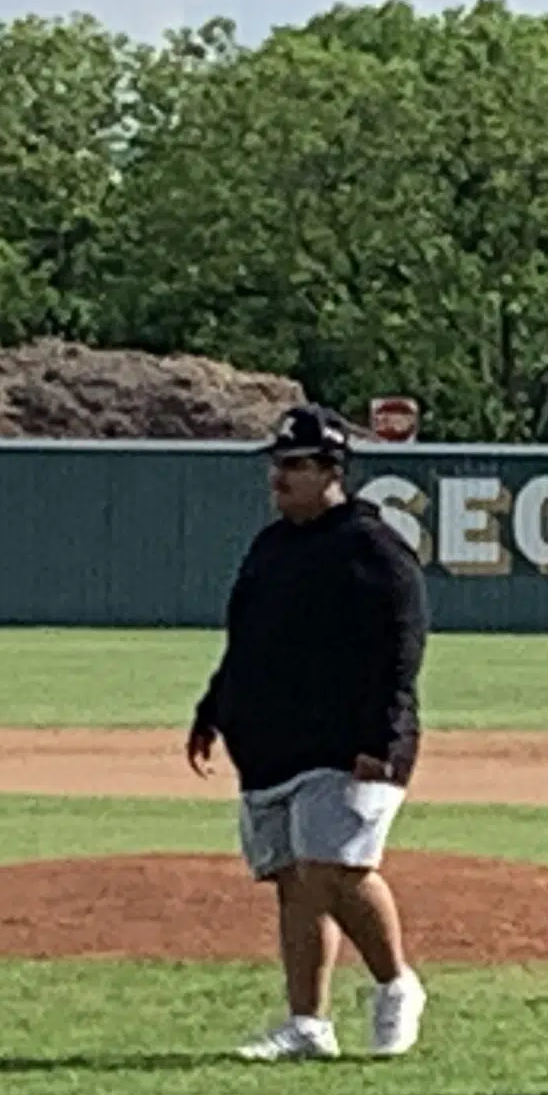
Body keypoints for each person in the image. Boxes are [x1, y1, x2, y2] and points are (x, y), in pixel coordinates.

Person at [189, 404, 430, 1061]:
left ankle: (395, 984)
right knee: (296, 880)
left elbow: (401, 646)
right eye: (276, 465)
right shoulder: (271, 547)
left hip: (352, 743)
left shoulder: (370, 547)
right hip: (274, 739)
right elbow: (249, 640)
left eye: (295, 466)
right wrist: (214, 706)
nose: (279, 478)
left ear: (332, 470)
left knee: (336, 868)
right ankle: (308, 1024)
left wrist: (381, 740)